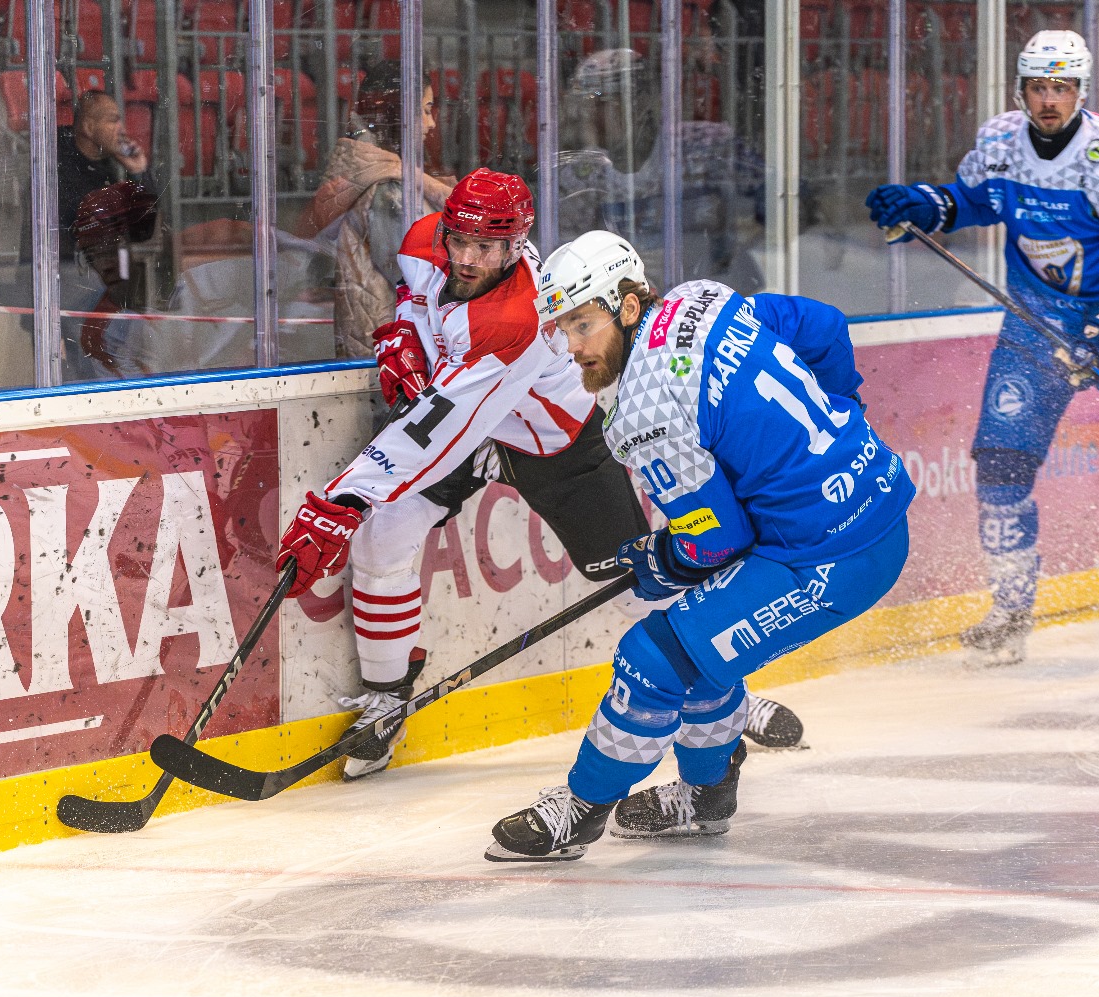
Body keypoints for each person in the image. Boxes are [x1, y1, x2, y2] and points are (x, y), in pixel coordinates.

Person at [273, 170, 804, 783]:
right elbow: (418, 302)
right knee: (382, 535)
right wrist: (406, 337)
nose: (468, 258)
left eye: (488, 248)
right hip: (476, 427)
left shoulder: (517, 318)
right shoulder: (425, 240)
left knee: (646, 577)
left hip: (556, 445)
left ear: (515, 244)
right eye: (461, 240)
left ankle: (723, 695)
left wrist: (343, 500)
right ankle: (388, 700)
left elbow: (434, 430)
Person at [479, 231, 915, 861]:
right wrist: (842, 404)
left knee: (651, 658)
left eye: (583, 325)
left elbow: (717, 538)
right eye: (561, 330)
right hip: (874, 507)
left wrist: (659, 561)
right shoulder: (703, 302)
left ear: (628, 307)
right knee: (697, 640)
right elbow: (824, 326)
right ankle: (706, 797)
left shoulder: (643, 410)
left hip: (829, 558)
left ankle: (581, 810)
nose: (572, 348)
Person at [864, 30, 1099, 667]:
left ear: (1081, 90)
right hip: (1035, 323)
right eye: (1039, 87)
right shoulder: (1000, 141)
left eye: (1062, 87)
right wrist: (924, 205)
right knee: (998, 465)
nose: (1049, 100)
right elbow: (973, 203)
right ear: (1020, 89)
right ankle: (1012, 609)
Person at [556, 48, 768, 293]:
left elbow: (784, 208)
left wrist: (719, 243)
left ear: (641, 101)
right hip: (640, 310)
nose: (589, 115)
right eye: (585, 104)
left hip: (721, 297)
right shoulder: (580, 174)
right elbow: (572, 259)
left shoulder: (707, 145)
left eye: (603, 102)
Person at [294, 61, 456, 360]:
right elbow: (420, 276)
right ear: (397, 116)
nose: (431, 123)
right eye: (425, 109)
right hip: (397, 355)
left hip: (388, 346)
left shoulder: (380, 176)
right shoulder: (387, 189)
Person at [20, 90, 159, 379]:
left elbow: (144, 227)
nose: (120, 129)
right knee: (67, 379)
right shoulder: (54, 158)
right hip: (59, 286)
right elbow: (68, 227)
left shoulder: (110, 166)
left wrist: (138, 171)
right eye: (112, 120)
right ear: (87, 126)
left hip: (96, 288)